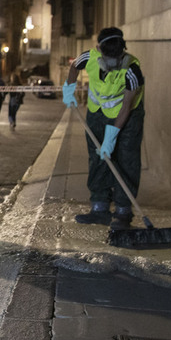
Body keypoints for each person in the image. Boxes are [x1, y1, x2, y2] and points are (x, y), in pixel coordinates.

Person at [63, 27, 145, 230]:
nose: (112, 62)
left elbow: (126, 106)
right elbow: (74, 67)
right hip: (97, 114)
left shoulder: (132, 70)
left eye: (116, 56)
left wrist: (112, 136)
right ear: (99, 48)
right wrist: (68, 89)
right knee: (98, 158)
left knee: (125, 160)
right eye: (108, 56)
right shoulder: (88, 58)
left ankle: (123, 212)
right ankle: (99, 208)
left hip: (127, 119)